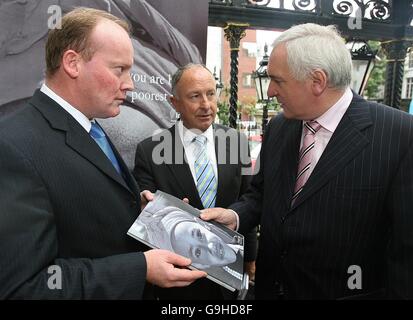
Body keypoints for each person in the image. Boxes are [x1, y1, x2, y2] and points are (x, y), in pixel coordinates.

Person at [0, 7, 206, 299]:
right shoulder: (12, 147)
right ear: (72, 63)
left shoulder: (91, 127)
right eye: (119, 69)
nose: (131, 83)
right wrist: (140, 269)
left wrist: (144, 213)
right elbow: (24, 288)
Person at [202, 23, 413, 300]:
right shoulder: (280, 128)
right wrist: (236, 215)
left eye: (278, 80)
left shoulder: (399, 135)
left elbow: (406, 252)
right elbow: (261, 194)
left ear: (317, 81)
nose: (271, 91)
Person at [133, 63, 257, 299]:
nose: (206, 105)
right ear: (174, 102)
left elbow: (248, 201)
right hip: (177, 282)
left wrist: (250, 261)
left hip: (230, 281)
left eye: (211, 94)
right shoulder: (150, 151)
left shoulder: (237, 143)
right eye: (195, 96)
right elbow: (144, 217)